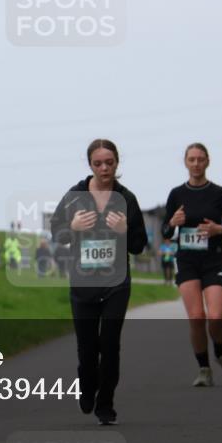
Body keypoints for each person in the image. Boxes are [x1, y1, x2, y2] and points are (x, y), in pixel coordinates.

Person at [50, 139, 147, 426]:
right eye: (98, 163)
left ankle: (106, 403)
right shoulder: (75, 195)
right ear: (90, 164)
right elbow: (56, 234)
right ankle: (87, 385)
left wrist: (125, 230)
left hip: (117, 282)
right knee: (87, 347)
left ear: (117, 163)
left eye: (110, 162)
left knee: (110, 344)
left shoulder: (126, 198)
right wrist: (73, 227)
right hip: (83, 283)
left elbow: (139, 245)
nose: (105, 168)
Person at [161, 142, 222, 387]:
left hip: (214, 258)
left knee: (215, 317)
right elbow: (165, 231)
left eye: (200, 159)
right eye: (191, 159)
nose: (196, 164)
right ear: (185, 163)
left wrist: (221, 228)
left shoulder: (218, 193)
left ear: (208, 161)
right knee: (197, 317)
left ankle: (221, 355)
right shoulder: (176, 194)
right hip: (186, 259)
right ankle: (204, 369)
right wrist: (173, 223)